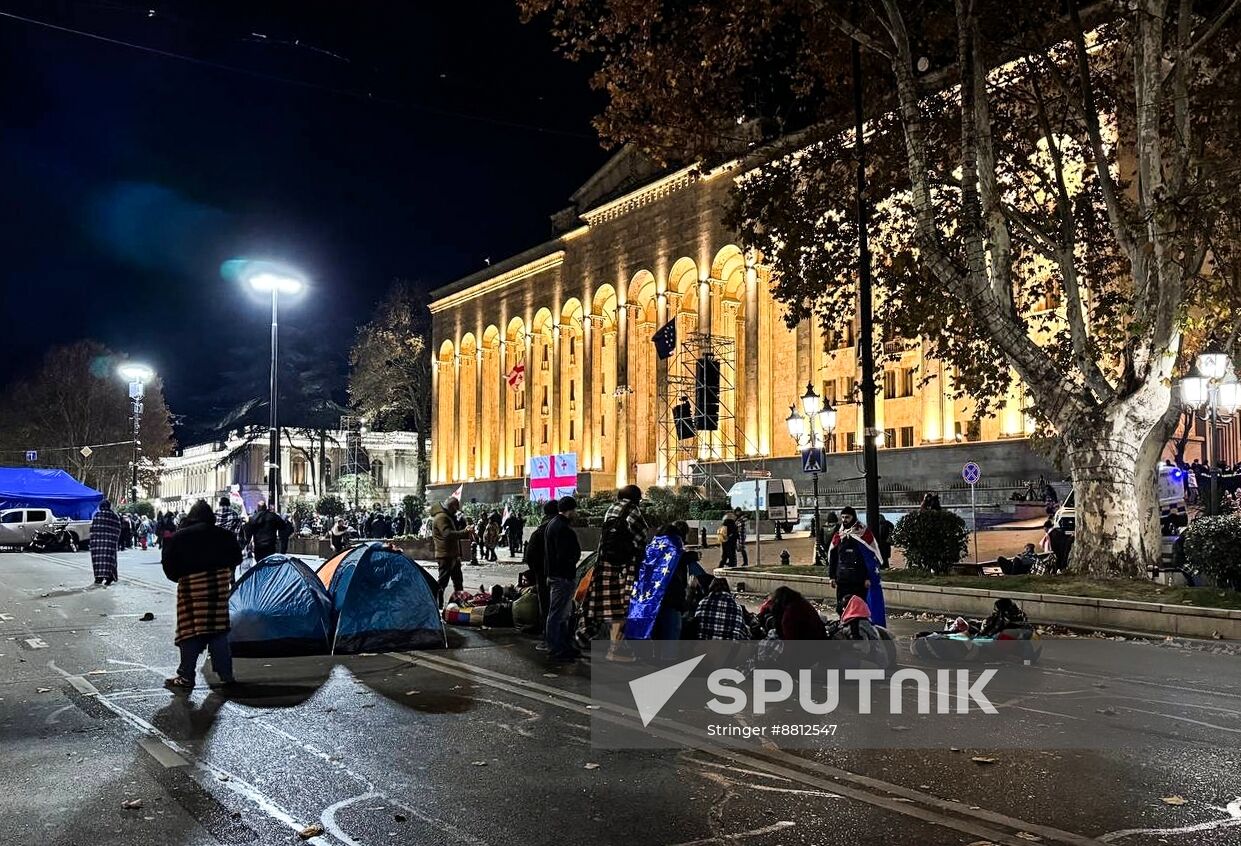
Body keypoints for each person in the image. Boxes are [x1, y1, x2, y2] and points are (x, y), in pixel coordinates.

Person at [160, 499, 242, 691]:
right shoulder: (225, 535)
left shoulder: (179, 537)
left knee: (189, 631)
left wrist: (182, 578)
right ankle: (226, 675)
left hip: (191, 587)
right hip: (218, 587)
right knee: (218, 630)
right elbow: (237, 557)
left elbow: (169, 564)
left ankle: (186, 675)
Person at [587, 484, 649, 660]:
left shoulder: (611, 510)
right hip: (625, 565)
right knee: (623, 608)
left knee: (613, 608)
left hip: (605, 563)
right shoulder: (633, 511)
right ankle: (616, 650)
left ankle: (613, 648)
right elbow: (641, 536)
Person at [827, 506, 887, 627]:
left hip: (858, 580)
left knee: (859, 606)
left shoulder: (863, 533)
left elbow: (867, 559)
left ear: (853, 517)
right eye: (843, 517)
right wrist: (832, 576)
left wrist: (867, 577)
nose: (844, 520)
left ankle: (860, 628)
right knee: (842, 605)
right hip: (842, 578)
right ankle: (844, 626)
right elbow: (833, 557)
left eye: (847, 517)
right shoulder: (839, 534)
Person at [543, 496, 582, 662]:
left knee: (560, 613)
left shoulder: (552, 524)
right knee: (558, 613)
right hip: (562, 577)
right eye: (575, 510)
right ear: (570, 510)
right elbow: (566, 555)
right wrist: (572, 561)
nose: (577, 513)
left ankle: (561, 645)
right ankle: (555, 647)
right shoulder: (563, 529)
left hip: (555, 575)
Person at [522, 500, 559, 638]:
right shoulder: (559, 528)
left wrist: (537, 570)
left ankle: (546, 633)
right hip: (557, 574)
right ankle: (554, 638)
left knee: (545, 605)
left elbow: (530, 555)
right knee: (556, 607)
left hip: (542, 574)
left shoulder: (539, 530)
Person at [430, 497, 473, 604]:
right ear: (451, 506)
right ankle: (436, 603)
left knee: (458, 581)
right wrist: (464, 532)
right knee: (443, 582)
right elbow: (447, 534)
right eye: (455, 508)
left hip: (451, 554)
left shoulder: (446, 516)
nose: (456, 511)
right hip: (445, 555)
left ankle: (459, 601)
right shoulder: (441, 517)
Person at [89, 500, 122, 586]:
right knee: (109, 560)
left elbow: (93, 529)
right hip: (110, 543)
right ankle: (109, 577)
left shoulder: (97, 516)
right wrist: (114, 539)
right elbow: (118, 529)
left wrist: (93, 540)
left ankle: (98, 577)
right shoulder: (114, 516)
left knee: (98, 560)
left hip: (97, 544)